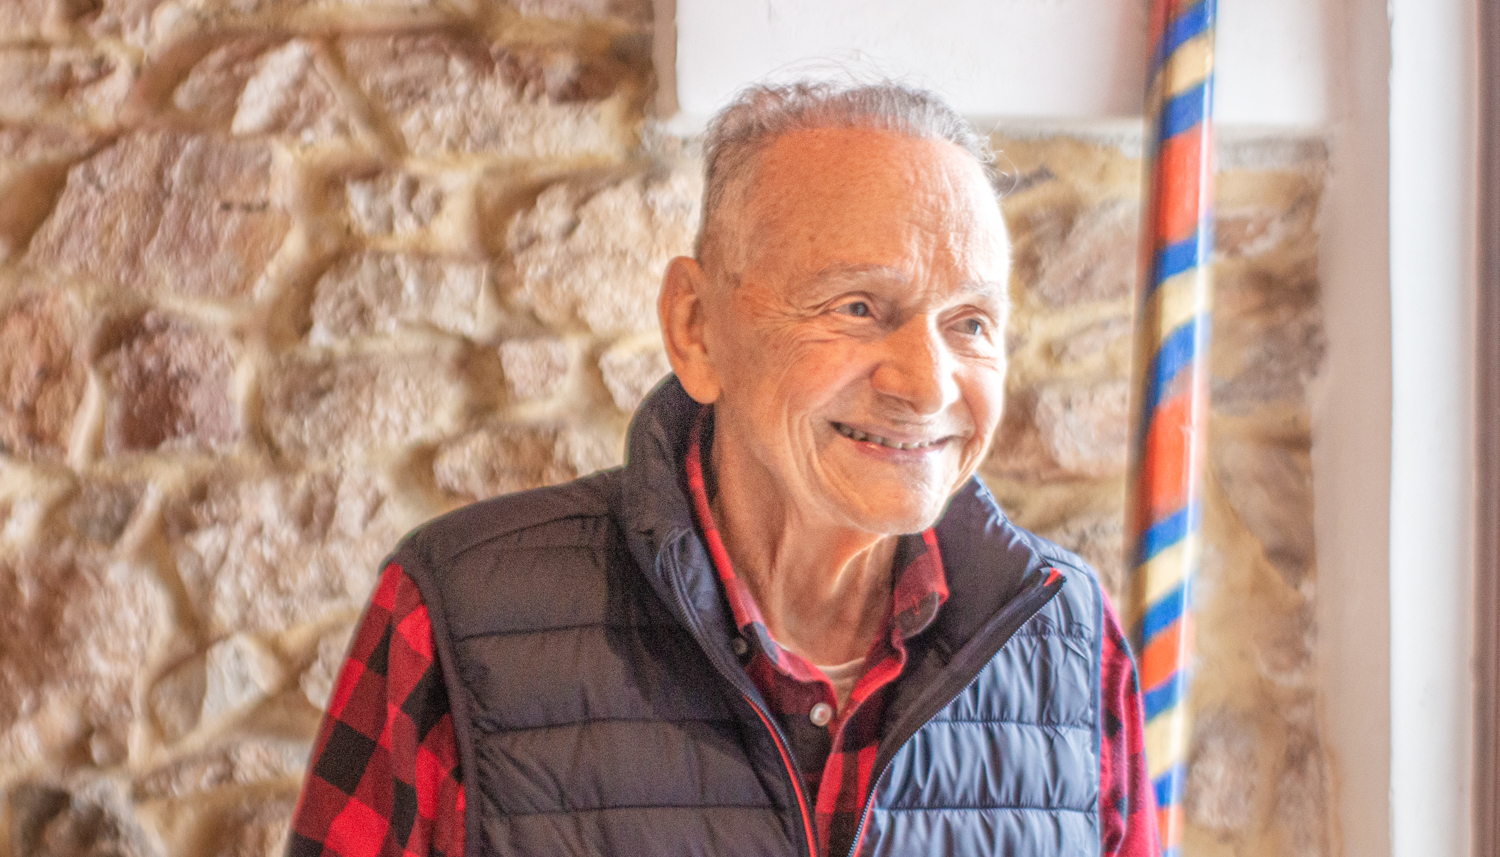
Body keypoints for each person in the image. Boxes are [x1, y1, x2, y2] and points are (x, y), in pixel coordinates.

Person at [288, 81, 1158, 857]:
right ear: (697, 328)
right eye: (859, 307)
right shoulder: (456, 617)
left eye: (971, 323)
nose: (927, 384)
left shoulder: (1071, 641)